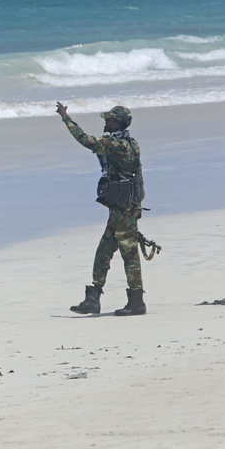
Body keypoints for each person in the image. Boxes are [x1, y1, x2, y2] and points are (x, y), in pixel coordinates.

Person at [56, 102, 147, 316]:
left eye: (109, 119)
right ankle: (93, 299)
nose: (105, 121)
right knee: (104, 251)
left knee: (129, 255)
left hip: (123, 211)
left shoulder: (113, 144)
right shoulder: (132, 143)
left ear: (116, 122)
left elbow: (85, 140)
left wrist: (65, 118)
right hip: (126, 208)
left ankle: (136, 302)